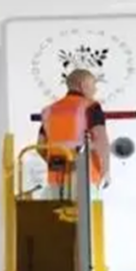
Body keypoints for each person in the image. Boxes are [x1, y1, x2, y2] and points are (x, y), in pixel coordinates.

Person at [36, 68, 111, 199]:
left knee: (59, 212)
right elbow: (101, 141)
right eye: (93, 84)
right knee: (86, 212)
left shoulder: (49, 110)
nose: (95, 90)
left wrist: (56, 163)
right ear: (83, 84)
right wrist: (106, 171)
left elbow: (40, 146)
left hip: (56, 177)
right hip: (85, 175)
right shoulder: (91, 107)